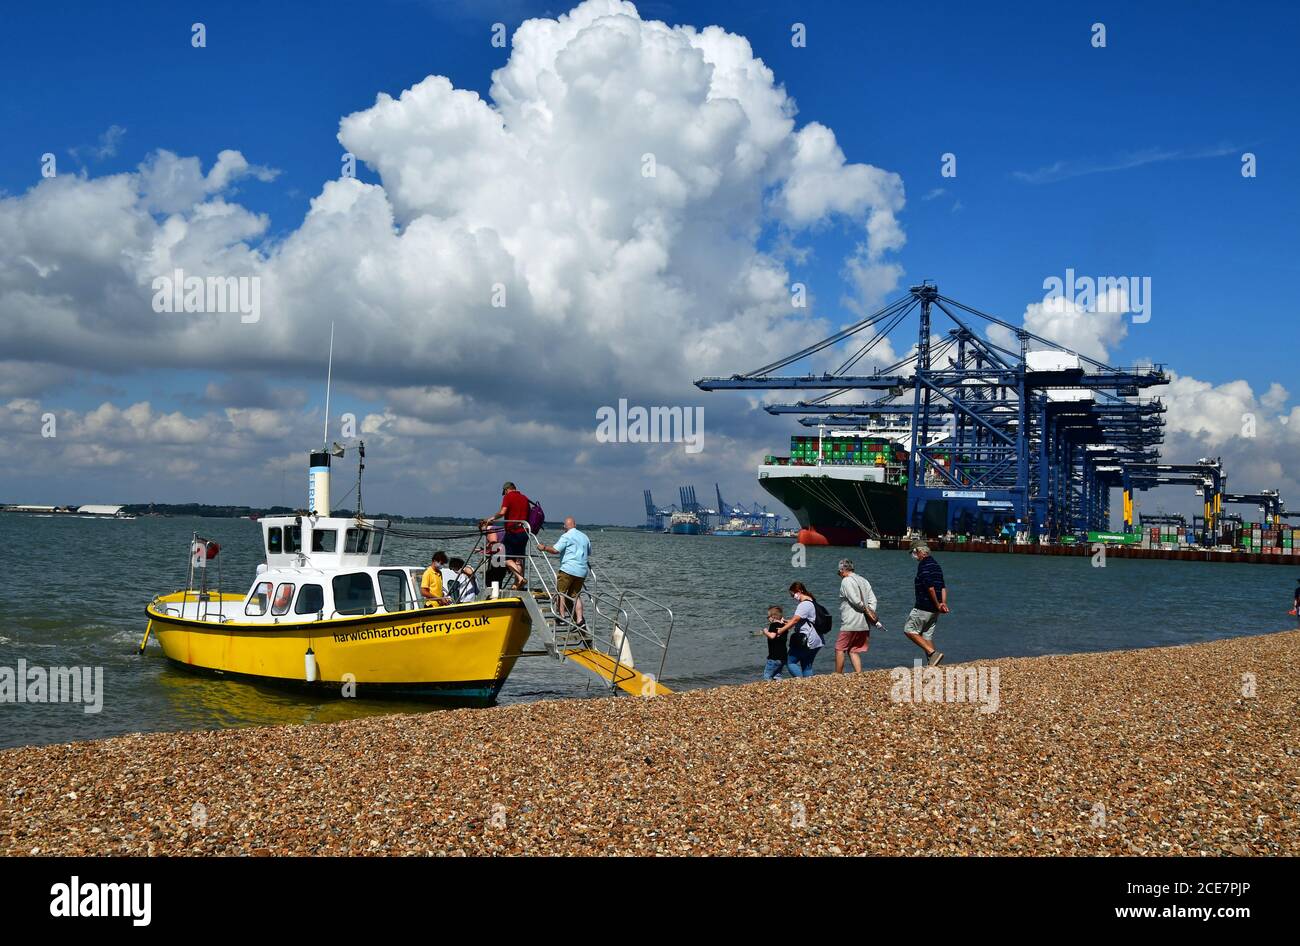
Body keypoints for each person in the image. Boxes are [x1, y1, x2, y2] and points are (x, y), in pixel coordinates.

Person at [536, 516, 590, 623]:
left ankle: (561, 617)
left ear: (565, 527)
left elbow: (556, 550)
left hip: (568, 569)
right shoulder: (585, 537)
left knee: (561, 593)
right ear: (575, 525)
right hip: (582, 571)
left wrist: (544, 548)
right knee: (576, 595)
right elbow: (588, 552)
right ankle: (580, 620)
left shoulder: (566, 536)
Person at [479, 482, 531, 590]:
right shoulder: (525, 498)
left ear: (507, 490)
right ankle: (517, 584)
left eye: (505, 492)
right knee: (519, 559)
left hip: (513, 532)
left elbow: (503, 512)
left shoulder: (509, 496)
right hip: (525, 532)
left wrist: (492, 518)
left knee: (504, 557)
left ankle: (520, 578)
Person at [904, 542, 947, 666]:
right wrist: (942, 604)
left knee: (909, 630)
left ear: (919, 551)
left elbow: (930, 588)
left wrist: (937, 604)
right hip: (935, 610)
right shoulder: (936, 565)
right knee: (927, 635)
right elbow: (943, 587)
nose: (913, 556)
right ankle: (932, 663)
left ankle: (933, 654)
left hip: (924, 606)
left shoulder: (923, 566)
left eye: (913, 552)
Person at [835, 558, 878, 673]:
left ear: (842, 570)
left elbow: (854, 599)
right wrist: (870, 611)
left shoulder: (846, 581)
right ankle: (859, 675)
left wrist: (864, 609)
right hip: (864, 624)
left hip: (850, 622)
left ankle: (837, 675)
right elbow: (873, 599)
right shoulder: (864, 580)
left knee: (840, 648)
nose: (839, 575)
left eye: (839, 572)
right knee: (853, 650)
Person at [772, 581, 823, 676]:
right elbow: (802, 620)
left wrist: (781, 630)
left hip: (807, 640)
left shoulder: (804, 604)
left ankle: (801, 683)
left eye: (793, 595)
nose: (793, 597)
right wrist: (787, 622)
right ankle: (808, 686)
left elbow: (795, 620)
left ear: (799, 591)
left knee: (790, 661)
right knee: (806, 665)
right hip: (817, 640)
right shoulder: (812, 601)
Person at [761, 604, 790, 679]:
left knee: (767, 675)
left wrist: (765, 631)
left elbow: (772, 636)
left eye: (768, 617)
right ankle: (778, 687)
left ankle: (767, 688)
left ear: (773, 617)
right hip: (783, 656)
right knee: (777, 675)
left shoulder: (773, 625)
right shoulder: (784, 626)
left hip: (774, 657)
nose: (768, 619)